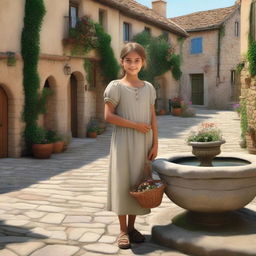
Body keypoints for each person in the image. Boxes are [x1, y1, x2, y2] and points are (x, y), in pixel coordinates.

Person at [104, 42, 158, 249]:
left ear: (143, 63)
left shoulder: (149, 88)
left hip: (145, 143)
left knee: (139, 182)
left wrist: (155, 143)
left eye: (137, 60)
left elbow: (153, 117)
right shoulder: (115, 86)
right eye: (129, 60)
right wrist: (135, 125)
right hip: (123, 142)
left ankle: (133, 227)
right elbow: (108, 116)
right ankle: (122, 230)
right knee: (122, 182)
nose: (132, 64)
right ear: (122, 62)